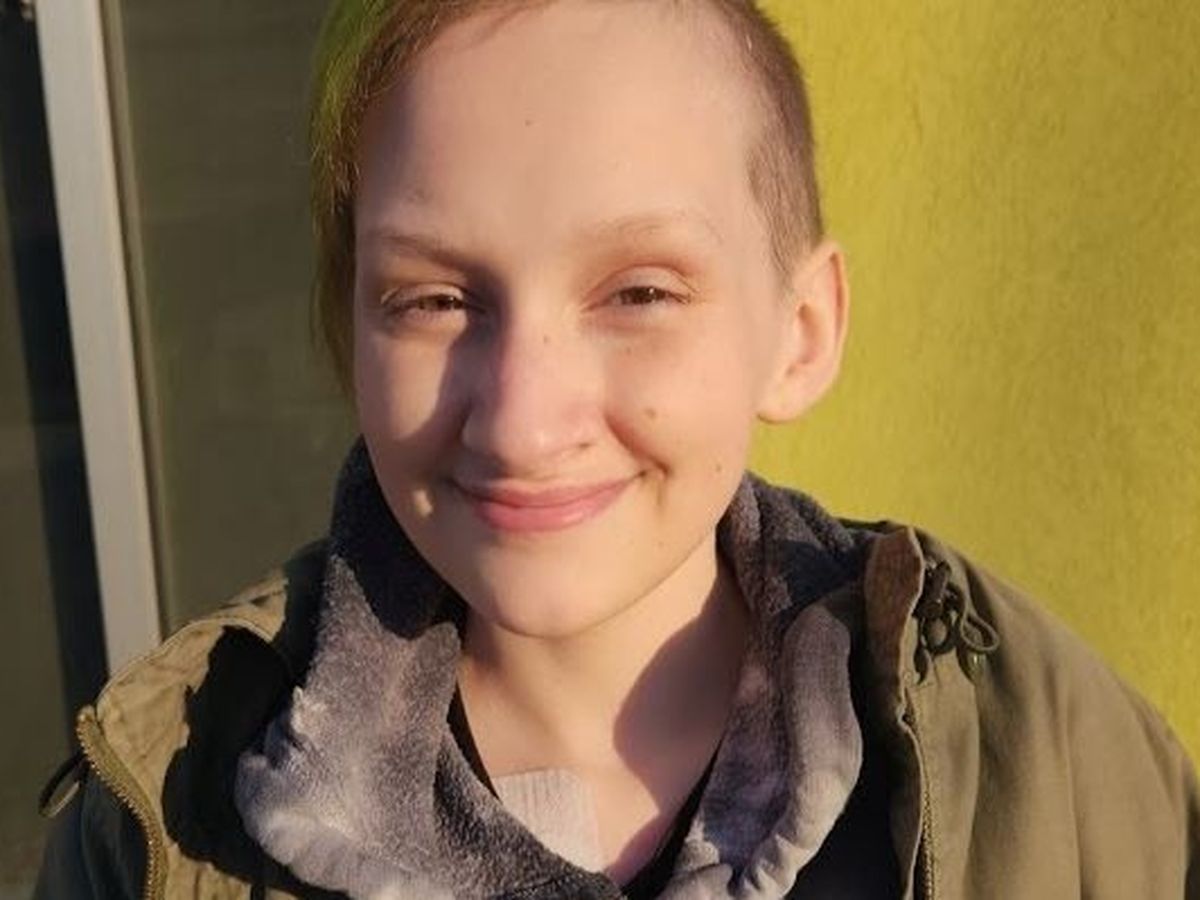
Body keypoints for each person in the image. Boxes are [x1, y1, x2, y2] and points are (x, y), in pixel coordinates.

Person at [35, 0, 1199, 897]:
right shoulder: (159, 818)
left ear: (800, 332)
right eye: (433, 299)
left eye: (639, 292)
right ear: (351, 331)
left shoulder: (1047, 754)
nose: (524, 422)